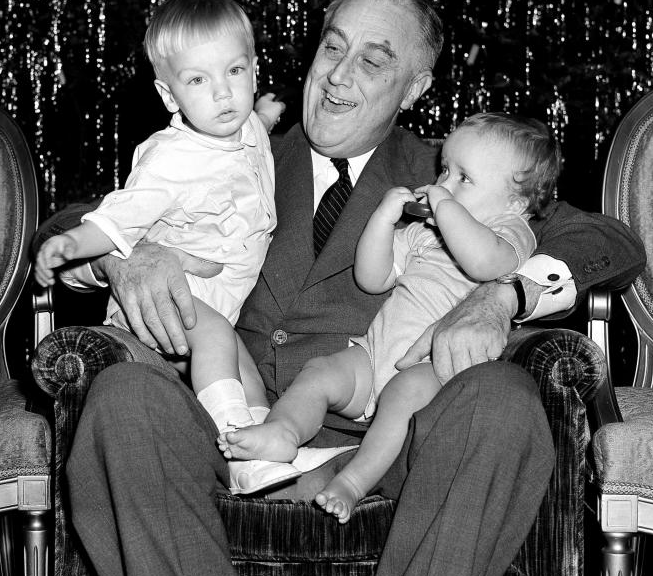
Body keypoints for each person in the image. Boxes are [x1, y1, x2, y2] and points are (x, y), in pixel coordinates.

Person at [45, 0, 645, 576]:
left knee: (502, 403)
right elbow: (70, 220)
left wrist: (505, 294)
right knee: (122, 399)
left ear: (415, 87)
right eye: (332, 48)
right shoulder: (237, 150)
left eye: (373, 60)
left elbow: (607, 240)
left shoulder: (449, 177)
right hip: (230, 426)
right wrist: (121, 257)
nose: (338, 75)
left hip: (379, 439)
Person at [219, 113, 560, 522]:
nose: (443, 184)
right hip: (373, 353)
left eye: (463, 179)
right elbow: (372, 277)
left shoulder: (511, 232)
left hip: (432, 371)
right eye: (445, 170)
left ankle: (353, 482)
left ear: (516, 202)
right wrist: (383, 219)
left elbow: (484, 261)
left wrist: (445, 205)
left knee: (400, 398)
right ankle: (283, 433)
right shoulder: (425, 232)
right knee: (320, 371)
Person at [34, 0, 299, 493]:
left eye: (235, 72)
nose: (223, 95)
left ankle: (262, 449)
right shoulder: (170, 159)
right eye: (199, 80)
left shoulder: (246, 128)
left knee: (243, 364)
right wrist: (70, 247)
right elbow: (116, 221)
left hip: (219, 303)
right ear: (170, 96)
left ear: (255, 69)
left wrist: (264, 113)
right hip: (165, 300)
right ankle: (236, 445)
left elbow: (254, 132)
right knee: (220, 340)